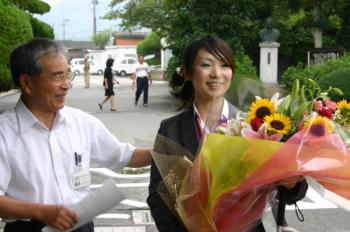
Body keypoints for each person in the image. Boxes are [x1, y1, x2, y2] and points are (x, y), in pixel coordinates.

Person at [147, 35, 306, 232]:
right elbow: (158, 196)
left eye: (224, 65)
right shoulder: (170, 129)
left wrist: (292, 184)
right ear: (187, 72)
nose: (216, 73)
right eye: (206, 65)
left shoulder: (254, 125)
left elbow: (288, 192)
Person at [0, 38, 151, 232]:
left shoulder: (81, 122)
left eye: (67, 75)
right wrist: (41, 212)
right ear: (27, 83)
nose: (66, 85)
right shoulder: (4, 133)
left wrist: (169, 153)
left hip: (81, 225)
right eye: (56, 77)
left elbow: (123, 155)